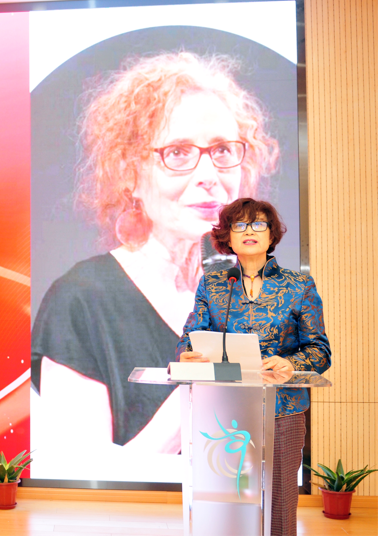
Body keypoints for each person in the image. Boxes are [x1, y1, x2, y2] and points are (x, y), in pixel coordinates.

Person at [31, 51, 280, 466]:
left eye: (222, 150)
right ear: (129, 172)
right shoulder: (80, 300)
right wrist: (197, 393)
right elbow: (81, 482)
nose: (208, 175)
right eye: (178, 153)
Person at [178, 197, 331, 536]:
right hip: (223, 412)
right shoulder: (213, 283)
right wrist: (187, 353)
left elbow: (320, 351)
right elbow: (190, 336)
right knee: (227, 506)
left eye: (259, 223)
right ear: (227, 237)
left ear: (272, 234)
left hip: (283, 409)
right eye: (240, 225)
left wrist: (290, 363)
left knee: (280, 504)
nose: (250, 231)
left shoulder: (298, 285)